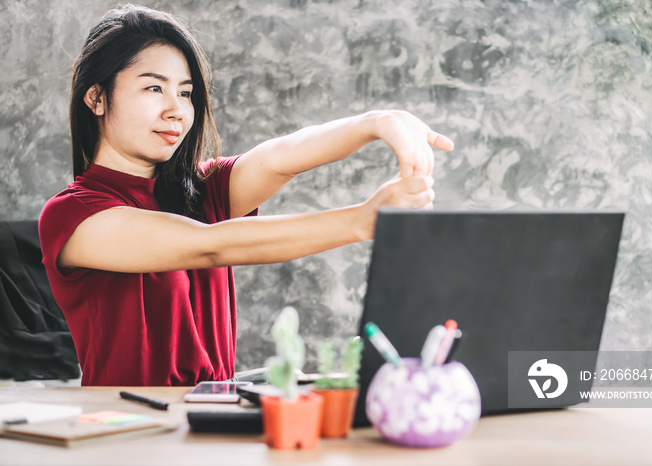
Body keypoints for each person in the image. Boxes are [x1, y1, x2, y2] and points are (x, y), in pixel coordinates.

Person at [39, 4, 453, 386]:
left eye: (185, 93)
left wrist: (376, 123)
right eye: (153, 89)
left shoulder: (198, 190)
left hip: (214, 423)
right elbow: (209, 246)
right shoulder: (73, 214)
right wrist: (363, 220)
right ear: (96, 98)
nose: (177, 110)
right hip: (130, 432)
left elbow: (280, 158)